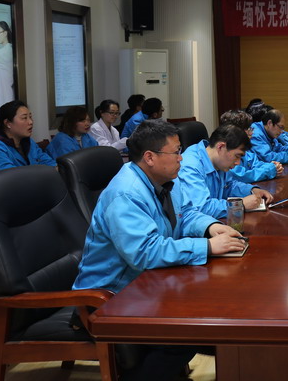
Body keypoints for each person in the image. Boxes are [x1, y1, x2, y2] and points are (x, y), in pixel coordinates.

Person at [73, 119, 245, 380]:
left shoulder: (165, 179)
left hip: (149, 283)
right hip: (111, 295)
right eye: (176, 152)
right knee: (186, 332)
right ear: (150, 157)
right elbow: (145, 253)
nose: (181, 158)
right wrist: (207, 246)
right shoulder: (126, 194)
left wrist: (211, 227)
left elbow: (186, 213)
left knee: (219, 312)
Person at [175, 124, 274, 219]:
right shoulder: (191, 166)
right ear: (221, 147)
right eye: (237, 156)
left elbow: (229, 185)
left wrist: (252, 190)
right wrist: (240, 204)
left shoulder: (219, 162)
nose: (238, 163)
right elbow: (202, 207)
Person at [0, 100, 55, 173]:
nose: (31, 122)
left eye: (30, 117)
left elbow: (49, 163)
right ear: (8, 123)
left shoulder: (28, 141)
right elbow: (12, 176)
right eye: (24, 118)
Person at [220, 109, 283, 183]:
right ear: (235, 131)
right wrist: (270, 170)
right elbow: (242, 176)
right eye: (249, 129)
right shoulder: (225, 151)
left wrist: (272, 166)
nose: (251, 133)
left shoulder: (245, 149)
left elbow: (256, 164)